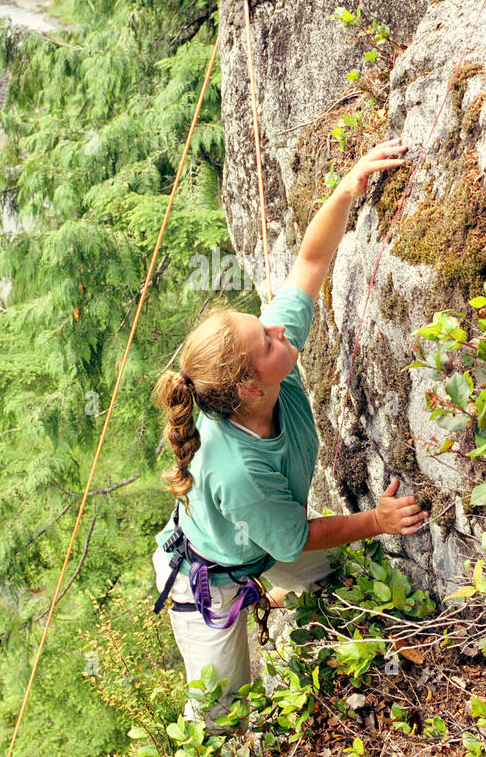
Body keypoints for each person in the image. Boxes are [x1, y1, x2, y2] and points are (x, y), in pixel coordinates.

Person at [151, 139, 430, 724]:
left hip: (259, 541)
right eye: (268, 340)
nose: (280, 332)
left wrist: (347, 187)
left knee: (343, 580)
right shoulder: (236, 466)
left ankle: (276, 595)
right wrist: (376, 521)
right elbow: (295, 539)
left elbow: (309, 263)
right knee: (221, 712)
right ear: (252, 386)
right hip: (211, 579)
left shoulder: (268, 367)